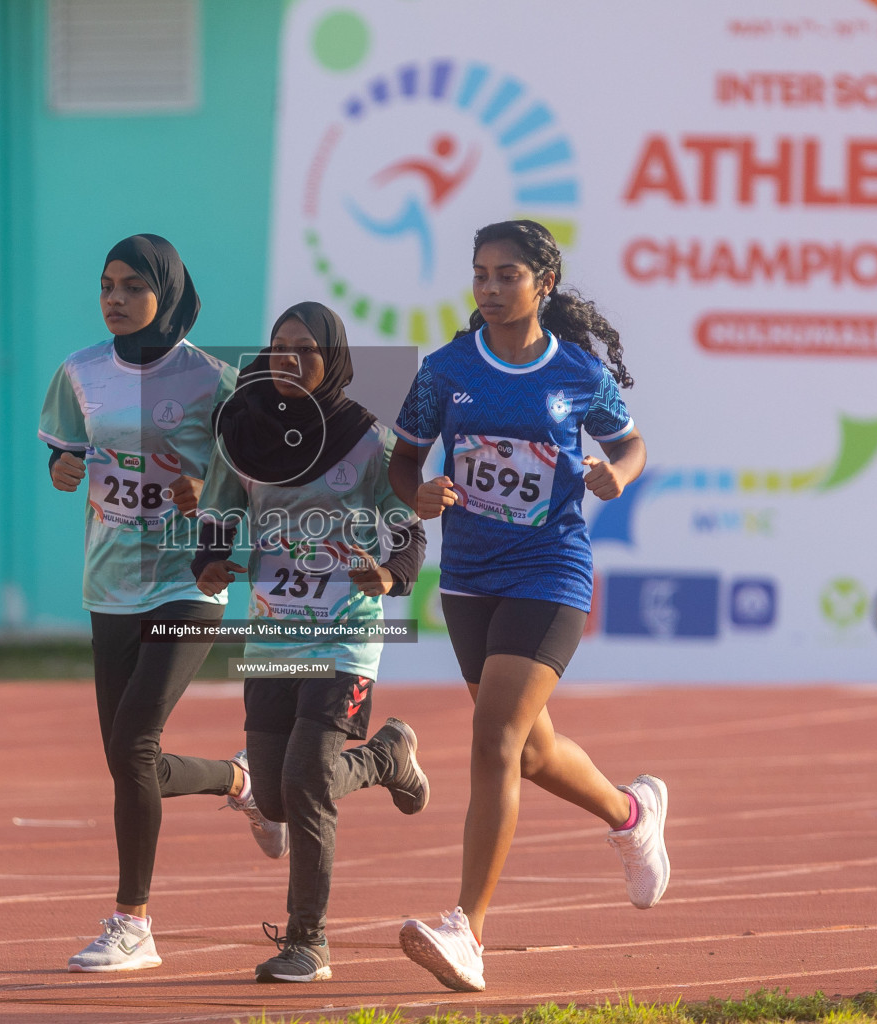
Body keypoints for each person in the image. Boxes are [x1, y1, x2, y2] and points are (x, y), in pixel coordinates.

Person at [386, 221, 669, 992]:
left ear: (542, 284)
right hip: (469, 576)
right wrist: (421, 495)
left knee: (492, 740)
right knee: (532, 752)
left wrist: (618, 475)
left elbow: (633, 445)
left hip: (551, 568)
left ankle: (466, 931)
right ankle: (631, 814)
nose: (488, 287)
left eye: (506, 274)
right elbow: (403, 461)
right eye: (479, 273)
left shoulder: (576, 371)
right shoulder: (444, 370)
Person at [38, 234, 286, 974]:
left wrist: (205, 494)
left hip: (187, 581)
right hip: (108, 583)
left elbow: (257, 476)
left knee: (136, 744)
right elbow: (65, 451)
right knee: (125, 759)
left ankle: (132, 923)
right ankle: (242, 781)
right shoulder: (80, 372)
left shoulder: (216, 381)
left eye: (131, 287)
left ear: (167, 294)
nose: (114, 298)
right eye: (106, 285)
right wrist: (62, 465)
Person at [194, 301, 431, 983]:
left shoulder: (364, 439)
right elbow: (218, 512)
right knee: (271, 796)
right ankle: (387, 756)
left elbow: (409, 528)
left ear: (334, 359)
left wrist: (388, 575)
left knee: (304, 780)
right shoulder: (243, 433)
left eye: (305, 349)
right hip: (273, 635)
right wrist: (208, 560)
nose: (288, 360)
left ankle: (309, 941)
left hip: (346, 633)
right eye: (278, 348)